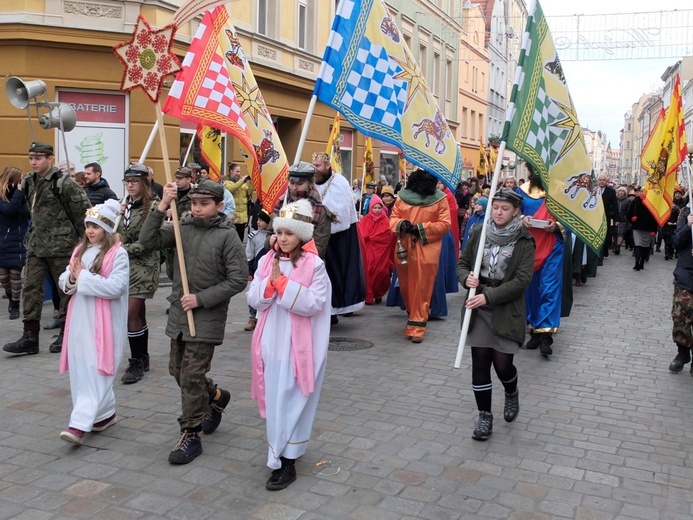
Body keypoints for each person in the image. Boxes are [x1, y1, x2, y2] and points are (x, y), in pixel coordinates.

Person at [139, 178, 247, 464]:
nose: (197, 209)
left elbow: (238, 279)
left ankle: (191, 433)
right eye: (194, 204)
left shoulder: (227, 236)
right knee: (177, 370)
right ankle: (216, 396)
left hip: (206, 316)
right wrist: (161, 206)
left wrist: (201, 299)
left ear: (219, 206)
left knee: (190, 376)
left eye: (205, 204)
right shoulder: (181, 228)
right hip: (179, 313)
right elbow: (147, 241)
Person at [247, 198, 332, 491]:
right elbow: (253, 298)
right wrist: (269, 286)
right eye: (280, 232)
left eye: (289, 233)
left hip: (299, 346)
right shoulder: (266, 260)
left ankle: (289, 459)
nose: (283, 239)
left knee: (292, 397)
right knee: (276, 398)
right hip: (272, 339)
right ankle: (276, 448)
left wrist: (285, 286)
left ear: (302, 234)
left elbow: (315, 303)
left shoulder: (315, 265)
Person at [456, 188, 535, 441]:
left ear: (515, 212)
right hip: (477, 306)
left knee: (503, 365)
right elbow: (462, 263)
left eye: (505, 208)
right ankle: (484, 417)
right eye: (496, 207)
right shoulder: (479, 232)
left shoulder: (524, 239)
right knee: (480, 362)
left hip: (505, 307)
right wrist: (465, 279)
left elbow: (522, 280)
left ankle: (511, 392)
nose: (499, 212)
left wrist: (489, 296)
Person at [3, 142, 91, 356]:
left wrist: (84, 245)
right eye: (31, 157)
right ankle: (30, 336)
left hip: (62, 246)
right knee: (31, 288)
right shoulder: (29, 181)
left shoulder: (64, 183)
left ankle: (66, 332)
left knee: (65, 291)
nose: (34, 161)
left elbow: (84, 212)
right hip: (36, 245)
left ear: (50, 159)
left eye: (39, 158)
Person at [57, 200, 129, 445]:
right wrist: (71, 280)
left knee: (95, 368)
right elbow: (66, 278)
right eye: (88, 225)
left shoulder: (118, 254)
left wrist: (83, 277)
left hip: (104, 323)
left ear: (107, 229)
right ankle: (104, 415)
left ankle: (79, 423)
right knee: (81, 367)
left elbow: (116, 287)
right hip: (79, 320)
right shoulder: (80, 250)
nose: (90, 231)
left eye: (95, 227)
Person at [389, 169, 451, 343]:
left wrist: (421, 228)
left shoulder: (440, 199)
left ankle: (417, 327)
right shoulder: (402, 197)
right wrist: (402, 224)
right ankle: (412, 314)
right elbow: (393, 217)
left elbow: (445, 224)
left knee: (422, 286)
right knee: (407, 285)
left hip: (427, 247)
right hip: (404, 246)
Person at [117, 163, 161, 384]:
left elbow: (147, 242)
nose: (130, 185)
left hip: (144, 265)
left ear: (145, 183)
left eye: (135, 181)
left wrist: (121, 250)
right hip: (124, 265)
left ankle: (135, 362)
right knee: (139, 313)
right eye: (127, 181)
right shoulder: (125, 206)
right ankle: (143, 356)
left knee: (131, 312)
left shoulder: (153, 207)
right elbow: (117, 233)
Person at [311, 152, 365, 321]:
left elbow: (342, 210)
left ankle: (336, 308)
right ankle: (321, 310)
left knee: (336, 274)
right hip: (314, 237)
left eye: (318, 165)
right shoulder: (310, 181)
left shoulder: (339, 182)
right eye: (313, 165)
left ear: (327, 166)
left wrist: (325, 218)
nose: (315, 169)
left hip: (338, 238)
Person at [520, 166, 566, 356]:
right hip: (530, 246)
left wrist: (557, 225)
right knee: (531, 289)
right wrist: (523, 219)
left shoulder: (562, 192)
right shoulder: (522, 190)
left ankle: (546, 335)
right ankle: (534, 329)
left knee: (549, 288)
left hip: (553, 246)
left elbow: (572, 220)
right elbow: (514, 212)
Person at [271, 162, 331, 259]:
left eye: (300, 184)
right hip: (279, 260)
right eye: (292, 183)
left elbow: (320, 247)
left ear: (310, 183)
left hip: (307, 262)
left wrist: (293, 247)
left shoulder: (321, 212)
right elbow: (269, 234)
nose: (294, 188)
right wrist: (271, 242)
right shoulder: (281, 204)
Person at [0, 166, 30, 319]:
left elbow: (28, 212)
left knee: (15, 275)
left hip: (19, 240)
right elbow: (10, 210)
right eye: (20, 179)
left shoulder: (23, 194)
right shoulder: (2, 195)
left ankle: (15, 305)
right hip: (3, 240)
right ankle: (11, 297)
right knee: (4, 278)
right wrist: (18, 192)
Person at [668, 203, 693, 374]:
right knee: (680, 317)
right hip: (686, 275)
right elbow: (676, 242)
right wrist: (688, 226)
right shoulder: (686, 214)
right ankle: (683, 352)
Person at [357, 194, 395, 305]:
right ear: (370, 208)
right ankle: (369, 295)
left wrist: (372, 238)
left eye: (379, 208)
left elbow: (388, 235)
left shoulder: (385, 220)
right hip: (369, 252)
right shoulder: (365, 220)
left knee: (381, 272)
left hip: (381, 253)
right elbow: (361, 235)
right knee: (368, 272)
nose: (377, 210)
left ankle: (378, 294)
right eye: (375, 207)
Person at [163, 166, 194, 281]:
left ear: (189, 180)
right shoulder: (172, 194)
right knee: (171, 272)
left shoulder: (194, 195)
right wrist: (166, 212)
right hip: (172, 237)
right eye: (176, 178)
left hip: (187, 236)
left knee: (186, 272)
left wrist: (179, 221)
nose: (177, 181)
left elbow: (196, 216)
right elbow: (160, 209)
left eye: (180, 178)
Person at [245, 208, 271, 331]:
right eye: (258, 220)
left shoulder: (274, 236)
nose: (258, 222)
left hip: (270, 270)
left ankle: (264, 318)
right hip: (257, 270)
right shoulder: (253, 236)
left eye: (262, 220)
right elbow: (249, 254)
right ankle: (252, 317)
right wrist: (249, 270)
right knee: (254, 292)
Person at [224, 162, 255, 241]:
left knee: (240, 240)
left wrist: (251, 184)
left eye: (239, 172)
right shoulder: (227, 182)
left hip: (243, 217)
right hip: (232, 217)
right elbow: (231, 189)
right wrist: (242, 181)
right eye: (237, 171)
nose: (239, 173)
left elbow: (249, 193)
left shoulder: (242, 182)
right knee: (232, 240)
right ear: (231, 171)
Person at [597, 174, 619, 259]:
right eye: (600, 180)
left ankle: (604, 251)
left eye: (603, 180)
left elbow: (614, 205)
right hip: (595, 216)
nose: (601, 181)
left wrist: (616, 219)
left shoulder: (611, 191)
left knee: (606, 234)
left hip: (606, 216)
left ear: (606, 181)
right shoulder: (594, 190)